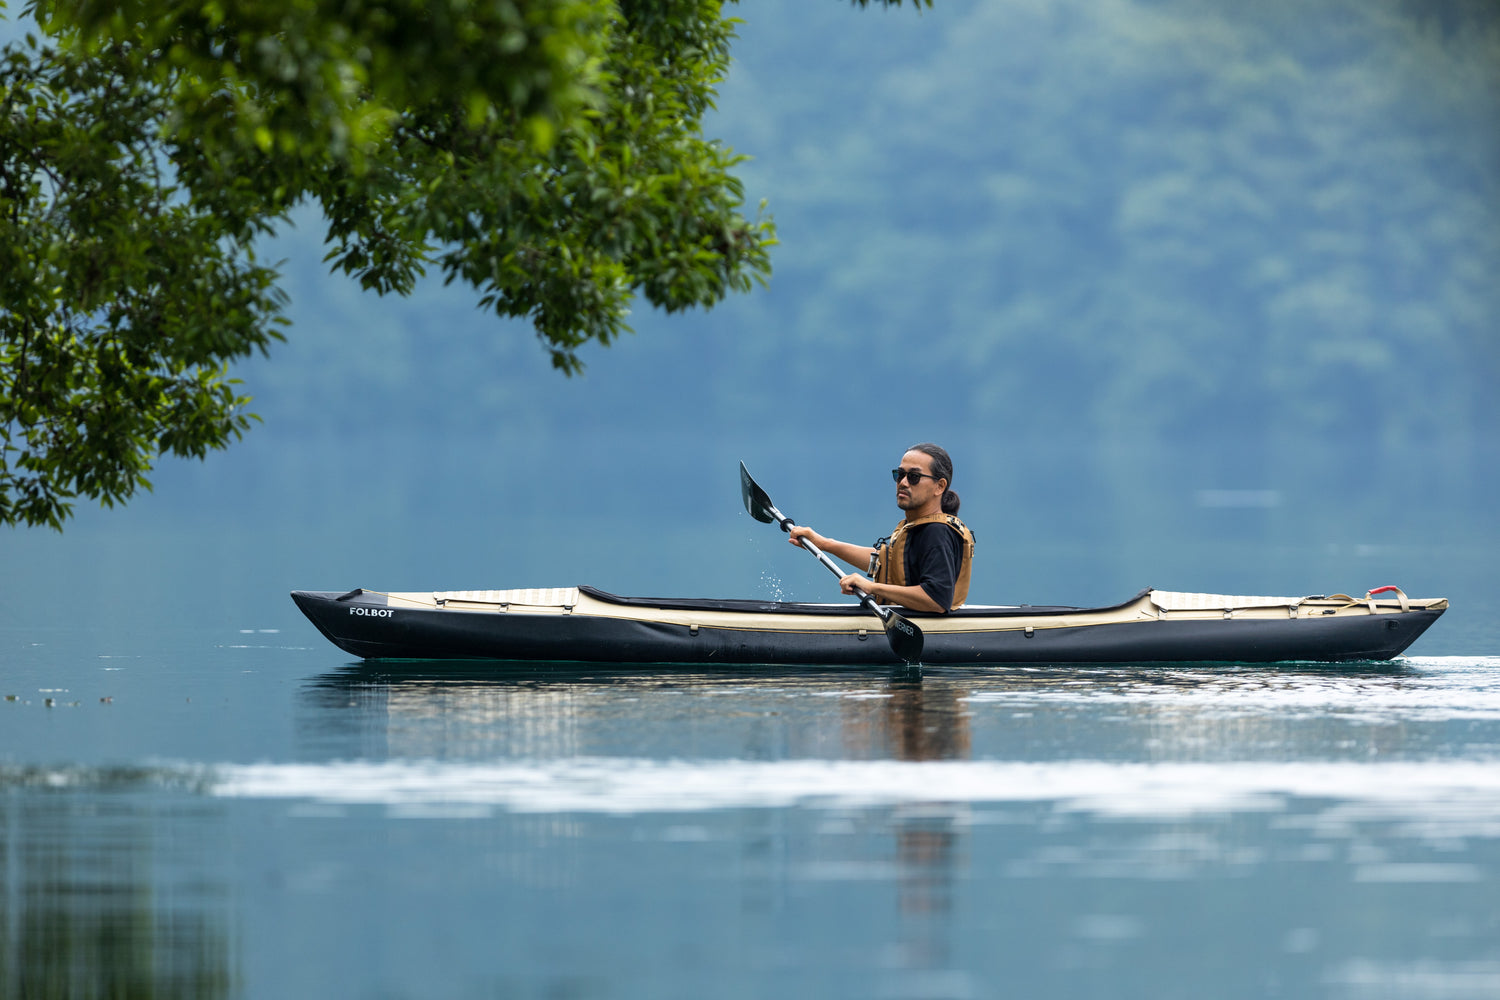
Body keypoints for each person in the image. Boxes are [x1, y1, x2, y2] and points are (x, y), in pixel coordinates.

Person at [788, 443, 976, 613]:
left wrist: (872, 587)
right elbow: (883, 563)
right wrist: (823, 544)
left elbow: (936, 600)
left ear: (939, 486)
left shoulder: (937, 532)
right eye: (900, 475)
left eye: (914, 477)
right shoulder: (920, 527)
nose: (903, 482)